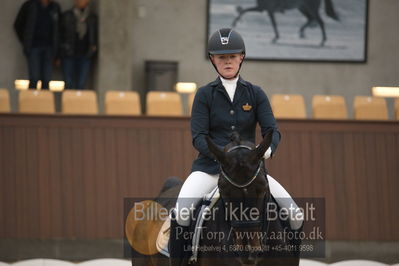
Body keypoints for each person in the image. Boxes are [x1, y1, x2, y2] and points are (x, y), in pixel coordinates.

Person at [169, 28, 303, 265]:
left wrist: (267, 151)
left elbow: (272, 130)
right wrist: (223, 157)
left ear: (242, 57)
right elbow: (198, 137)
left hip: (250, 173)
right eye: (222, 57)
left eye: (232, 56)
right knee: (181, 213)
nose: (227, 61)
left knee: (295, 215)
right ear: (213, 60)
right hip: (210, 170)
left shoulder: (256, 93)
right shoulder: (204, 95)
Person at [14, 0, 61, 90]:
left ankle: (44, 102)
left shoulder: (55, 7)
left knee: (47, 79)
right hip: (34, 47)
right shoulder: (29, 5)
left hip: (49, 48)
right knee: (34, 78)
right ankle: (31, 101)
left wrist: (57, 53)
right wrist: (25, 41)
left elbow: (59, 29)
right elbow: (18, 24)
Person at [60, 0, 98, 90]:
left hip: (85, 54)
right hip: (69, 53)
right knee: (68, 83)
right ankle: (68, 103)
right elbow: (60, 34)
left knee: (81, 84)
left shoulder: (92, 17)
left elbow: (94, 34)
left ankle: (78, 103)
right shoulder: (67, 15)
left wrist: (93, 47)